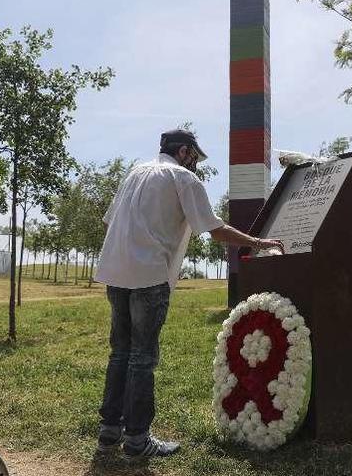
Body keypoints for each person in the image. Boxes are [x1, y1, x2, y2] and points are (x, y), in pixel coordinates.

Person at [93, 129, 284, 458]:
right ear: (184, 152)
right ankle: (137, 440)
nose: (197, 163)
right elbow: (214, 229)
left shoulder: (135, 173)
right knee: (142, 358)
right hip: (149, 275)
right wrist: (257, 242)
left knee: (120, 353)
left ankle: (109, 432)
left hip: (114, 272)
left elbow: (110, 222)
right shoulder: (183, 178)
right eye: (195, 156)